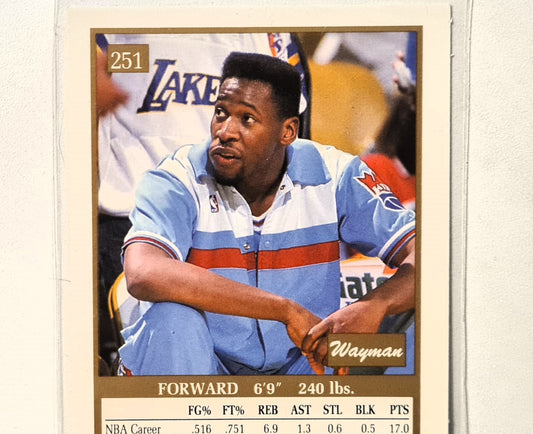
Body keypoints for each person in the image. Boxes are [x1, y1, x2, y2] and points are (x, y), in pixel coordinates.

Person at [119, 52, 415, 376]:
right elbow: (143, 272)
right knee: (173, 319)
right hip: (207, 369)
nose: (225, 131)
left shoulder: (337, 174)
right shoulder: (177, 177)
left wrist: (376, 305)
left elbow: (425, 254)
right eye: (221, 112)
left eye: (247, 119)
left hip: (303, 364)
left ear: (287, 132)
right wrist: (282, 310)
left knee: (422, 317)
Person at [95, 32, 311, 369]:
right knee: (174, 331)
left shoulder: (267, 32)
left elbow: (291, 151)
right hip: (130, 221)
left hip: (240, 224)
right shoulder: (112, 27)